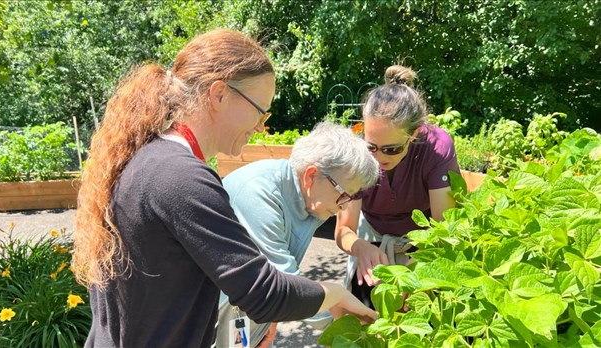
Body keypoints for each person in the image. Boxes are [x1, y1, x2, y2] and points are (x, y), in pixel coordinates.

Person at [72, 29, 377, 348]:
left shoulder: (146, 158)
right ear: (219, 94)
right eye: (260, 110)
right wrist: (334, 293)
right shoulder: (183, 178)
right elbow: (264, 294)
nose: (262, 126)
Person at [217, 121, 380, 347]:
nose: (344, 206)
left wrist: (271, 319)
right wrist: (352, 324)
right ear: (311, 176)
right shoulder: (259, 194)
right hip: (216, 315)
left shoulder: (308, 199)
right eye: (343, 194)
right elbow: (286, 283)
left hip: (248, 313)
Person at [334, 64, 461, 307]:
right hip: (372, 232)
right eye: (371, 146)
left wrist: (415, 275)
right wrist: (360, 248)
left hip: (426, 239)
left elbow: (444, 229)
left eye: (391, 149)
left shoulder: (436, 147)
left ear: (413, 135)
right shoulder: (356, 152)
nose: (379, 158)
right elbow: (343, 230)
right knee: (365, 311)